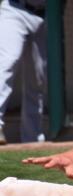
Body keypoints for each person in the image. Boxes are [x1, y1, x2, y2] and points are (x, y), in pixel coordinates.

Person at [0, 0, 47, 145]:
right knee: (7, 63)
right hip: (15, 9)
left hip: (45, 16)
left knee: (37, 79)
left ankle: (33, 138)